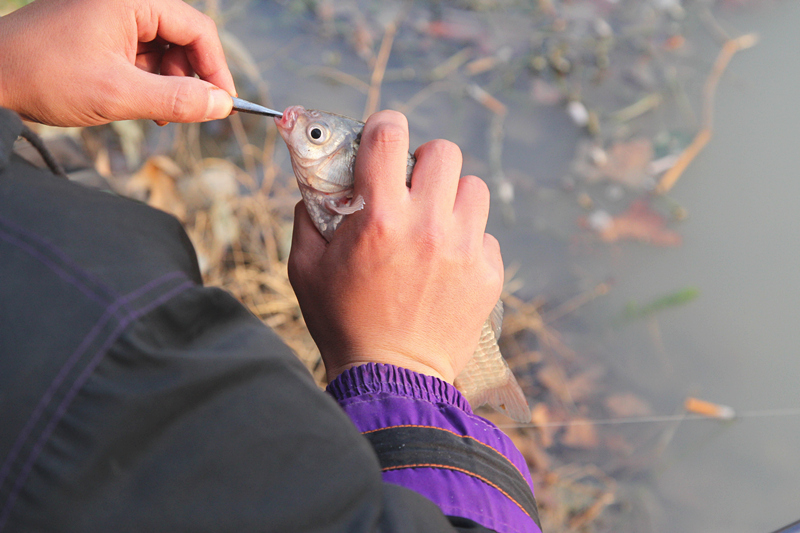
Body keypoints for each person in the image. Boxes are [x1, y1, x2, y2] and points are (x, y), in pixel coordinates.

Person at [0, 0, 541, 531]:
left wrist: (8, 66)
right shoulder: (119, 342)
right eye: (315, 136)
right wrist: (401, 369)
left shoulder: (84, 285)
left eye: (316, 136)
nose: (304, 131)